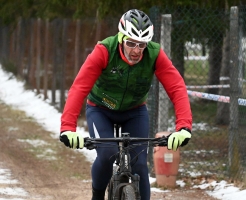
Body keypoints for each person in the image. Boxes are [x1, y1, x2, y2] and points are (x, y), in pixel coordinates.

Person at [59, 9, 192, 200]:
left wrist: (184, 127)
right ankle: (97, 196)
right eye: (131, 43)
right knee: (107, 155)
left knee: (139, 164)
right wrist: (68, 128)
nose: (136, 50)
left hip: (134, 111)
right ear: (121, 38)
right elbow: (79, 87)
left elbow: (177, 88)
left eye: (142, 44)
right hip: (100, 109)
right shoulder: (104, 51)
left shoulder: (154, 54)